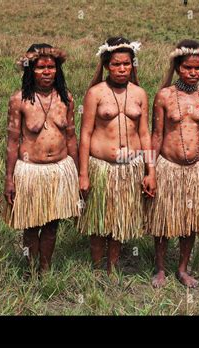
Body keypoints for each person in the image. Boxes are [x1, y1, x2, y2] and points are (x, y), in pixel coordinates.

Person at [148, 39, 199, 288]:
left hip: (198, 169)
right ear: (178, 67)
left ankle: (182, 269)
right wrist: (151, 171)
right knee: (163, 220)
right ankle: (160, 269)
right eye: (188, 68)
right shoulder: (164, 96)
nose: (193, 73)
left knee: (191, 222)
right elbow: (156, 135)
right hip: (168, 166)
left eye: (198, 68)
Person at [78, 37, 156, 274]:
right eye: (115, 64)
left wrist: (150, 171)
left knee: (119, 220)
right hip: (101, 167)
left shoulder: (140, 94)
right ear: (106, 65)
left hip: (129, 167)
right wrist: (83, 174)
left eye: (126, 64)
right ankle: (97, 268)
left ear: (133, 64)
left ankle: (112, 268)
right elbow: (85, 135)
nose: (122, 69)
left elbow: (145, 134)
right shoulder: (95, 93)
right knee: (97, 220)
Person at [3, 44, 80, 275]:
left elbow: (71, 138)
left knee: (51, 226)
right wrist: (9, 179)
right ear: (30, 70)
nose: (47, 72)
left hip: (59, 169)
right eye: (41, 67)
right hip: (30, 171)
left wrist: (77, 173)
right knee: (30, 226)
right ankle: (30, 268)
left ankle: (45, 269)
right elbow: (12, 142)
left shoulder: (65, 98)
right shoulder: (19, 100)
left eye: (51, 67)